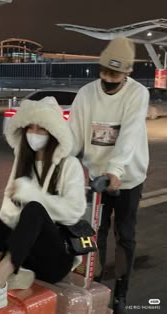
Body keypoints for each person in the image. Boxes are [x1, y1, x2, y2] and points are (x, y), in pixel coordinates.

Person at [0, 96, 87, 314]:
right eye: (30, 127)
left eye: (41, 129)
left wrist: (32, 194)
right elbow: (8, 215)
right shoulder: (22, 164)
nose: (34, 133)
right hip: (22, 254)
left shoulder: (69, 165)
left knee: (34, 209)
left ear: (54, 134)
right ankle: (6, 265)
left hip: (52, 259)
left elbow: (74, 212)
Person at [69, 37, 149, 314]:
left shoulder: (137, 94)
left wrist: (115, 171)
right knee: (94, 235)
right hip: (96, 179)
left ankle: (121, 293)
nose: (108, 77)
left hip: (128, 177)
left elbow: (128, 136)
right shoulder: (86, 93)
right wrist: (64, 161)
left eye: (115, 73)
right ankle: (96, 285)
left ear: (127, 73)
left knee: (124, 235)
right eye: (104, 70)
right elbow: (75, 135)